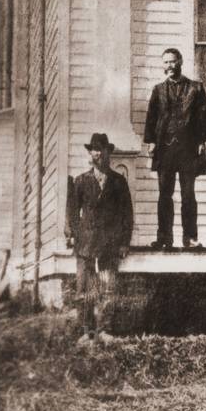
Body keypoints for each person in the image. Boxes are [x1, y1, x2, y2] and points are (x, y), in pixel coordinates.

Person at [143, 48, 206, 250]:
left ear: (180, 61)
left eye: (173, 61)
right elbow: (151, 118)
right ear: (162, 65)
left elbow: (203, 117)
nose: (170, 66)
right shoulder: (158, 90)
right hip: (165, 150)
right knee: (165, 194)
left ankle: (190, 238)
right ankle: (165, 237)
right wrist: (151, 142)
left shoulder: (196, 88)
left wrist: (201, 141)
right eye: (166, 62)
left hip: (188, 150)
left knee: (188, 194)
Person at [65, 133, 133, 335]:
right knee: (84, 290)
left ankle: (105, 330)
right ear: (90, 153)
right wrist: (74, 235)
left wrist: (124, 243)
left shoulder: (119, 182)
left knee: (108, 288)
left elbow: (126, 214)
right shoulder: (80, 181)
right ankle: (86, 331)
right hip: (85, 245)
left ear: (108, 153)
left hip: (110, 245)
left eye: (102, 150)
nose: (99, 154)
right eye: (95, 149)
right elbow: (71, 212)